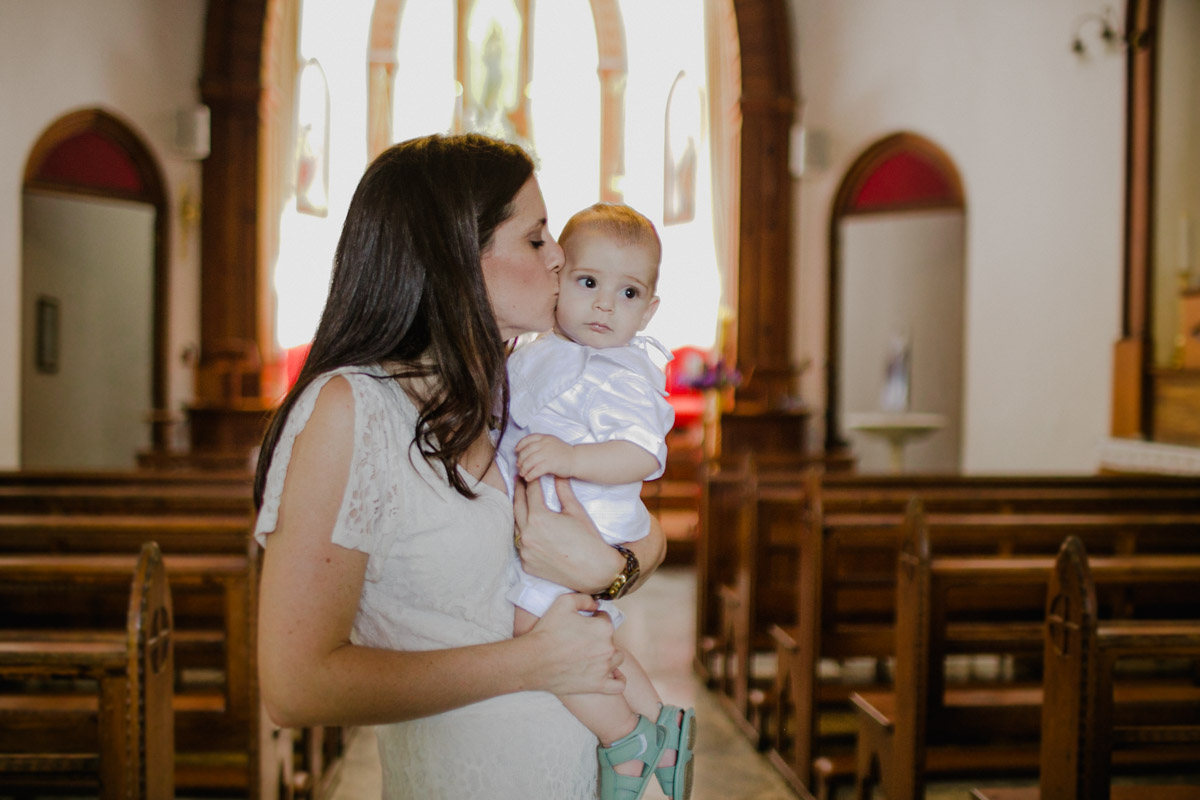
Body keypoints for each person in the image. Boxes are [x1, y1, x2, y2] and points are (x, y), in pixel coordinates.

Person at [252, 133, 667, 800]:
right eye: (536, 239)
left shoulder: (512, 385)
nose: (561, 256)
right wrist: (531, 661)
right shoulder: (351, 409)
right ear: (457, 258)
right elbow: (295, 685)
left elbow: (644, 530)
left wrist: (609, 572)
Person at [496, 203, 696, 800]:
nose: (606, 305)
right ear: (559, 279)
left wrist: (569, 458)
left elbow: (643, 456)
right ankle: (665, 723)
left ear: (650, 309)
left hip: (589, 515)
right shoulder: (543, 348)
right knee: (595, 639)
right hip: (556, 514)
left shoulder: (618, 372)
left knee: (539, 633)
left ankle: (626, 742)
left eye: (628, 292)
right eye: (589, 283)